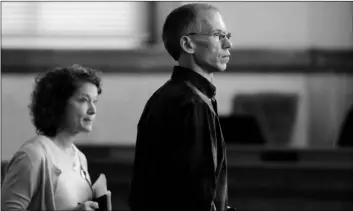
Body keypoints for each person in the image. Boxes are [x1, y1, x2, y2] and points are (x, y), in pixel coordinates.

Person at [129, 3, 234, 211]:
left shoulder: (166, 95)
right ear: (188, 44)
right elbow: (197, 197)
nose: (227, 44)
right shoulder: (192, 103)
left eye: (227, 35)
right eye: (217, 35)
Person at [1, 64, 111, 210]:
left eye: (94, 101)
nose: (92, 110)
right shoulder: (33, 156)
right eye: (83, 100)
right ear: (59, 103)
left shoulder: (80, 158)